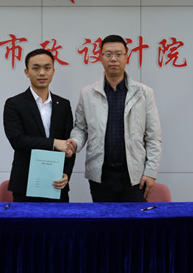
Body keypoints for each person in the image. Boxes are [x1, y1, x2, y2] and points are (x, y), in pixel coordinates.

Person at [68, 34, 161, 202]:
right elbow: (81, 128)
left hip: (134, 175)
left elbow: (153, 136)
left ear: (126, 57)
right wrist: (74, 142)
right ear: (100, 57)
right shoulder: (88, 93)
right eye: (108, 54)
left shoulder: (144, 93)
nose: (113, 59)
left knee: (134, 219)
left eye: (118, 54)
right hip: (100, 175)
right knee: (104, 219)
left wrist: (151, 172)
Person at [3, 48, 75, 202]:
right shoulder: (14, 104)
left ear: (53, 71)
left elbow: (69, 144)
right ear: (27, 72)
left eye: (47, 68)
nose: (42, 73)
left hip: (57, 183)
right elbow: (17, 140)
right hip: (25, 183)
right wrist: (54, 143)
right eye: (36, 68)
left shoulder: (63, 104)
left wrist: (66, 174)